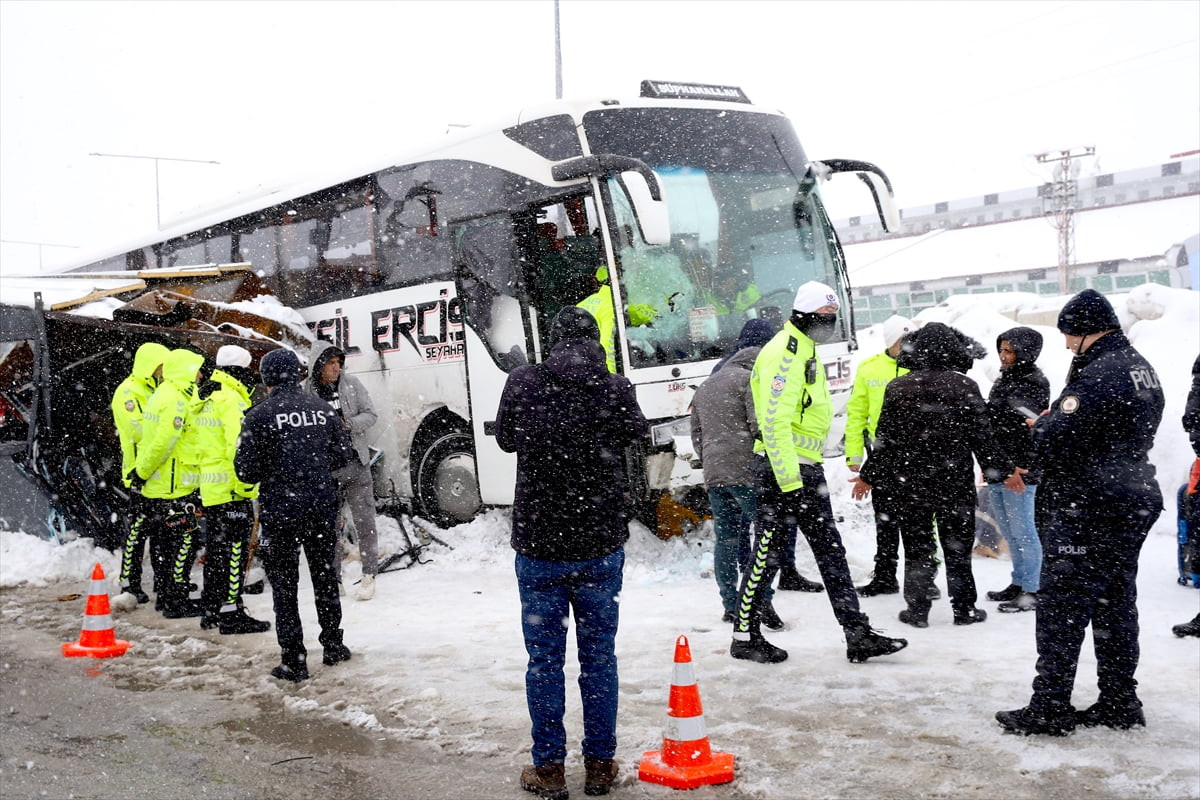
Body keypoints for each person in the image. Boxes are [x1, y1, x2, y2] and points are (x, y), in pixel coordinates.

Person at [495, 306, 648, 799]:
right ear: (596, 339)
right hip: (600, 544)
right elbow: (636, 437)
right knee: (599, 657)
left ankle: (550, 770)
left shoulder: (524, 381)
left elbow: (504, 440)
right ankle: (600, 767)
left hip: (540, 546)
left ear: (552, 340)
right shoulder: (615, 386)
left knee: (544, 662)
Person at [997, 289, 1164, 736]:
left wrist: (1045, 424)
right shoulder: (1137, 366)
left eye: (1070, 335)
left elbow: (1056, 438)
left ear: (1089, 329)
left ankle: (1050, 707)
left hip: (1092, 503)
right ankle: (1119, 701)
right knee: (1114, 603)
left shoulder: (1099, 375)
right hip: (1129, 495)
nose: (1068, 344)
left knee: (1062, 609)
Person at [730, 281, 907, 664]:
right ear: (803, 314)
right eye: (824, 316)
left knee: (829, 552)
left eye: (833, 316)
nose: (829, 322)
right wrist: (790, 480)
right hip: (784, 471)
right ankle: (744, 635)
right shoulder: (785, 352)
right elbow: (774, 421)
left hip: (804, 469)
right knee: (767, 555)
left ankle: (856, 632)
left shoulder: (806, 349)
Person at [853, 323, 1023, 629]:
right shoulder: (965, 386)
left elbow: (885, 441)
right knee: (957, 549)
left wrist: (870, 474)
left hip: (910, 485)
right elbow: (982, 439)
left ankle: (917, 611)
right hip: (953, 483)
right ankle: (964, 609)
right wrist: (1005, 471)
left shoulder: (898, 387)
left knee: (918, 548)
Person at [235, 348, 353, 682]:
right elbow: (343, 456)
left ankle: (294, 659)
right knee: (324, 578)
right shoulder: (322, 410)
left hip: (281, 511)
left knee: (285, 587)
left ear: (266, 379)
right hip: (320, 506)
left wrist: (279, 468)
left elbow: (245, 471)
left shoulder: (258, 416)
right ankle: (333, 645)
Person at [691, 319, 790, 627]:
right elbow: (758, 426)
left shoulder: (706, 385)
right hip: (747, 472)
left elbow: (696, 433)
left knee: (727, 540)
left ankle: (730, 604)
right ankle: (763, 602)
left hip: (715, 475)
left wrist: (710, 458)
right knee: (765, 539)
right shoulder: (750, 381)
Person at [193, 345, 270, 635]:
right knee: (235, 552)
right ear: (238, 369)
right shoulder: (231, 399)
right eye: (248, 366)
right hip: (231, 489)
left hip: (212, 488)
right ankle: (232, 613)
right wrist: (246, 486)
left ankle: (211, 609)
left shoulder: (207, 396)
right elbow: (236, 448)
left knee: (216, 552)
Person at [131, 347, 206, 618]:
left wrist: (143, 473)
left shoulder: (163, 393)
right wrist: (142, 471)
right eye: (196, 368)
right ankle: (176, 600)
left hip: (161, 486)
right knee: (184, 542)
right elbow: (164, 442)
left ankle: (166, 596)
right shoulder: (176, 400)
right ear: (185, 370)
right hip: (176, 487)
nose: (199, 374)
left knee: (163, 545)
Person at [845, 314, 914, 597]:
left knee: (919, 523)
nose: (909, 346)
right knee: (885, 521)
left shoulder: (923, 368)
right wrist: (853, 455)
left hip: (918, 457)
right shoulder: (869, 368)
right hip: (882, 458)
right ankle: (885, 576)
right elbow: (857, 413)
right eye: (902, 340)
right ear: (890, 341)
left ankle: (923, 576)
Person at [307, 341, 380, 601]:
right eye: (331, 363)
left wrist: (348, 424)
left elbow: (371, 415)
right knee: (329, 528)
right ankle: (334, 578)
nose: (337, 368)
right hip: (325, 471)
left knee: (365, 522)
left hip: (356, 465)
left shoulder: (352, 385)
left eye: (339, 363)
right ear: (319, 365)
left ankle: (370, 574)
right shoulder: (307, 391)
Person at [983, 327, 1050, 613]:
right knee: (1010, 532)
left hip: (1019, 469)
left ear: (1025, 351)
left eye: (1009, 350)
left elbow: (1027, 427)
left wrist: (1017, 466)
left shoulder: (1033, 381)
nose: (1003, 355)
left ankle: (1033, 589)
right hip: (998, 467)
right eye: (1002, 349)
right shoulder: (1005, 379)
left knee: (1024, 531)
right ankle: (1019, 582)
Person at [111, 341, 169, 607]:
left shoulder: (157, 389)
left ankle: (162, 580)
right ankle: (129, 583)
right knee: (137, 530)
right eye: (160, 366)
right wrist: (163, 432)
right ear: (150, 365)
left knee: (161, 531)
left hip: (159, 472)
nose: (163, 371)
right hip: (138, 472)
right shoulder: (127, 392)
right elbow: (135, 430)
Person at [576, 265, 656, 373]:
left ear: (598, 283)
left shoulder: (581, 305)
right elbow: (606, 344)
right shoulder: (613, 304)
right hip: (600, 372)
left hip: (582, 369)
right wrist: (609, 377)